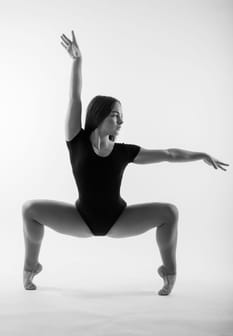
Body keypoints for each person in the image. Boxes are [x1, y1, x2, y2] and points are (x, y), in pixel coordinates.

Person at [22, 30, 230, 295]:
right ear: (98, 116)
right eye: (115, 116)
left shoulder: (124, 152)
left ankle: (169, 272)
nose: (120, 122)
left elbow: (169, 154)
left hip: (119, 219)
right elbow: (75, 98)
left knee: (169, 212)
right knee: (30, 209)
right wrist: (77, 61)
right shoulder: (76, 138)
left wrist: (201, 155)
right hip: (80, 219)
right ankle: (31, 266)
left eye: (121, 118)